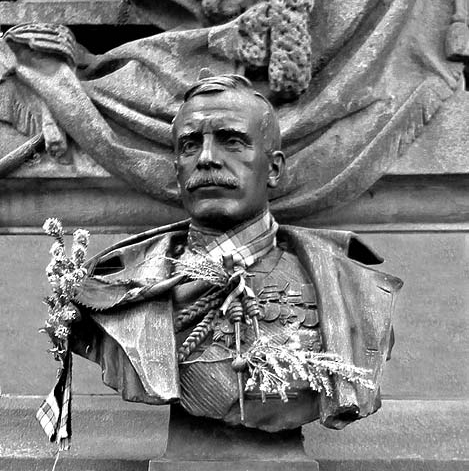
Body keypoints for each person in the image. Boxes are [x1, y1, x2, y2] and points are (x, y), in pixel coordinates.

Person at [72, 73, 402, 432]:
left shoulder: (355, 289)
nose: (207, 159)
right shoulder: (108, 292)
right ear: (177, 171)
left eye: (231, 141)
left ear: (273, 168)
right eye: (190, 145)